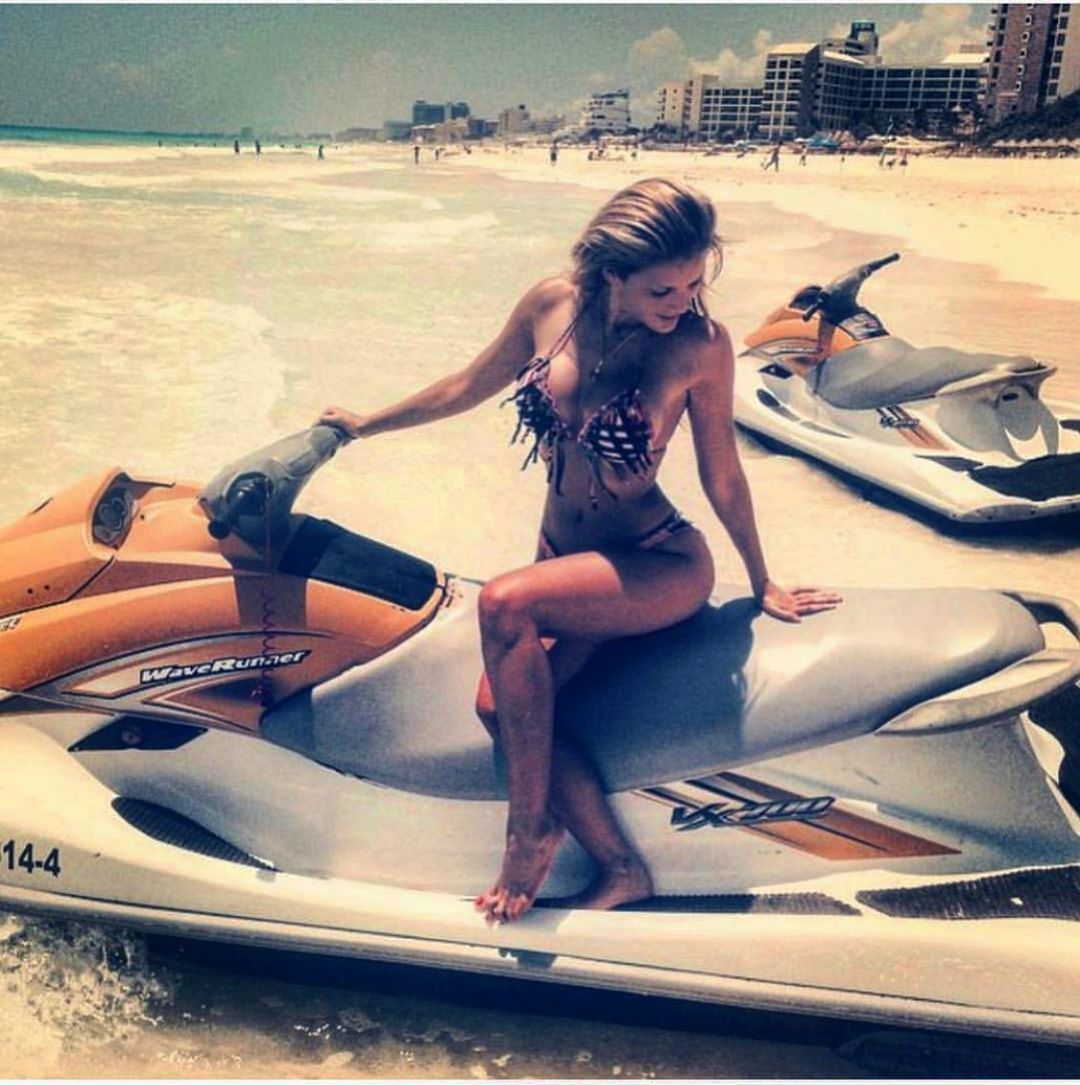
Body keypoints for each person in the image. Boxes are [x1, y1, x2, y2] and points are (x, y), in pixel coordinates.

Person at [317, 178, 841, 924]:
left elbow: (721, 472)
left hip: (657, 562)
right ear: (611, 273)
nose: (683, 301)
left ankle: (528, 834)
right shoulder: (550, 307)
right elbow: (467, 385)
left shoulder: (699, 346)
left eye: (695, 282)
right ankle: (622, 868)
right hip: (568, 561)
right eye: (663, 288)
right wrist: (365, 425)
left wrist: (763, 579)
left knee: (503, 602)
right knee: (497, 705)